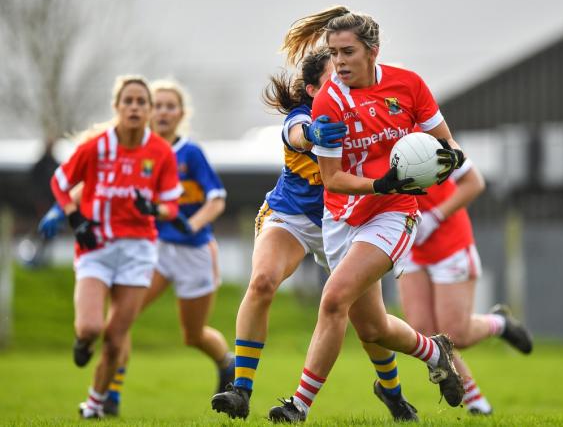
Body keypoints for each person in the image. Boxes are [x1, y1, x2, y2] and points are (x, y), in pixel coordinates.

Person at [268, 6, 468, 423]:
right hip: (342, 218)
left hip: (393, 213)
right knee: (374, 329)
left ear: (372, 51)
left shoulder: (409, 85)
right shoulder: (329, 102)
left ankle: (298, 406)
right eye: (334, 53)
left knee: (334, 298)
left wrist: (446, 158)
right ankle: (435, 352)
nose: (339, 62)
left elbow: (445, 143)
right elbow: (334, 179)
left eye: (348, 52)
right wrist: (382, 182)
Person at [211, 47, 418, 422]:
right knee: (262, 281)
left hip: (345, 224)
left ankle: (392, 391)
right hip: (292, 217)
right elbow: (297, 135)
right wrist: (312, 131)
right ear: (312, 90)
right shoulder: (302, 116)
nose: (343, 83)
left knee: (371, 326)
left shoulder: (363, 113)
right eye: (332, 79)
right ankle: (240, 389)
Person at [50, 75, 182, 419]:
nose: (135, 107)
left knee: (116, 336)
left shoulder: (161, 152)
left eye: (142, 102)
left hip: (138, 252)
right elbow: (60, 182)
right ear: (117, 107)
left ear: (150, 110)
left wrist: (152, 208)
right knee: (91, 328)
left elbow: (171, 206)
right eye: (129, 101)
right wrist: (74, 217)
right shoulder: (97, 147)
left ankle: (93, 404)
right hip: (97, 247)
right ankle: (82, 342)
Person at [102, 79, 234, 416]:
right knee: (120, 321)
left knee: (192, 336)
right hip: (154, 250)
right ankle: (110, 395)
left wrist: (192, 223)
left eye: (168, 106)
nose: (161, 112)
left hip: (194, 251)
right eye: (155, 105)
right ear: (145, 111)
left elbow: (216, 200)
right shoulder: (136, 153)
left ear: (180, 114)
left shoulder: (190, 153)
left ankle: (225, 364)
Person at [397, 157, 533, 415]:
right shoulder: (371, 130)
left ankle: (500, 323)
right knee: (424, 332)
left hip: (449, 244)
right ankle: (475, 401)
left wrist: (435, 217)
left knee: (455, 334)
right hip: (411, 244)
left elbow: (474, 183)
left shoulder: (434, 134)